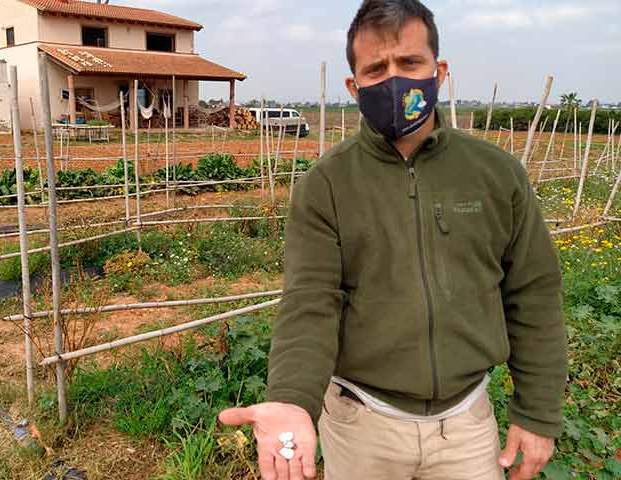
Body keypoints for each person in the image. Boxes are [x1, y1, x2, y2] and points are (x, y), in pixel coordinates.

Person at [218, 1, 568, 479]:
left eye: (409, 63)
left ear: (438, 72)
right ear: (354, 85)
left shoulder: (495, 174)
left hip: (465, 425)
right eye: (376, 69)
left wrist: (538, 412)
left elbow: (534, 293)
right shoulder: (327, 184)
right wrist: (291, 401)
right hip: (361, 422)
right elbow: (311, 301)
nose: (395, 79)